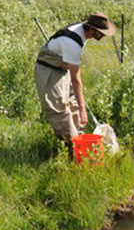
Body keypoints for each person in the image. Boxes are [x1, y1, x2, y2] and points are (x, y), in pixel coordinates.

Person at [34, 12, 117, 153]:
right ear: (91, 29)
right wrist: (83, 108)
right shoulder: (72, 42)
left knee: (73, 107)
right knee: (60, 111)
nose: (103, 36)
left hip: (62, 69)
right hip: (49, 72)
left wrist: (79, 106)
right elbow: (76, 79)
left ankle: (80, 142)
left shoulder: (82, 32)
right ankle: (72, 151)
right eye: (101, 33)